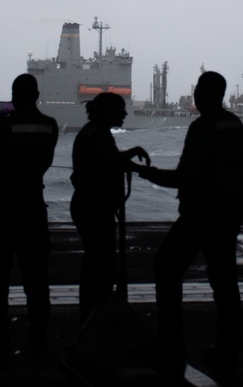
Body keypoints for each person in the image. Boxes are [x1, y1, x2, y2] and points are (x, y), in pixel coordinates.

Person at [134, 71, 243, 372]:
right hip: (229, 210)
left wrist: (146, 173)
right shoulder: (234, 123)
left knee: (166, 266)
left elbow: (183, 177)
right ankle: (229, 347)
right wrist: (228, 190)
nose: (195, 96)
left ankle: (171, 343)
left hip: (201, 213)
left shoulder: (202, 127)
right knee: (225, 278)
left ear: (204, 95)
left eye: (198, 91)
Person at [0, 73, 59, 353]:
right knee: (36, 270)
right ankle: (39, 325)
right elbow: (43, 162)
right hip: (33, 202)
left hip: (4, 203)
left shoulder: (5, 125)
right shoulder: (50, 125)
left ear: (12, 98)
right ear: (37, 96)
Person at [70, 92, 150, 322]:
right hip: (94, 208)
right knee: (101, 264)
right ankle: (95, 317)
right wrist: (141, 167)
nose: (125, 113)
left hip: (90, 205)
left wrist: (130, 154)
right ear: (108, 111)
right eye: (120, 109)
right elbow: (109, 163)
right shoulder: (99, 134)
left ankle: (93, 314)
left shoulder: (94, 131)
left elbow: (108, 160)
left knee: (97, 261)